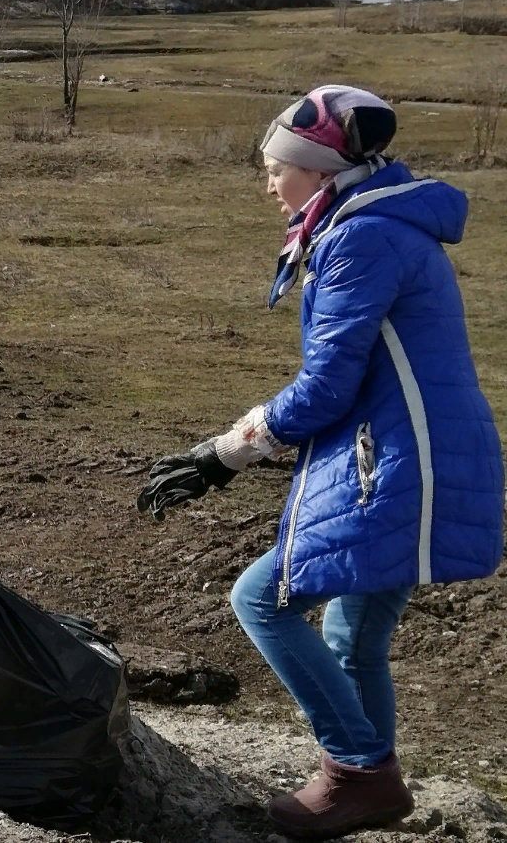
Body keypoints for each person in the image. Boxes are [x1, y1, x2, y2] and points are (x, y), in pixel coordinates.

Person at [137, 85, 504, 838]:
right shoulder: (380, 223)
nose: (269, 183)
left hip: (397, 463)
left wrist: (223, 454)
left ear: (319, 170)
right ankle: (371, 779)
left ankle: (358, 771)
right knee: (353, 633)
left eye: (277, 168)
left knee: (261, 601)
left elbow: (327, 386)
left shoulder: (360, 238)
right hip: (418, 453)